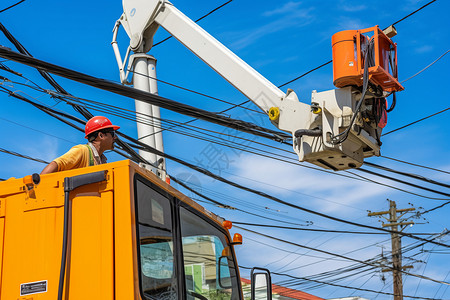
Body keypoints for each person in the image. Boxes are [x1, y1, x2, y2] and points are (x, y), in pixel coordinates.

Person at [40, 116, 120, 174]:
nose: (115, 137)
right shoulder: (82, 151)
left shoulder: (102, 161)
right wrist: (38, 188)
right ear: (101, 135)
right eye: (113, 134)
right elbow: (56, 164)